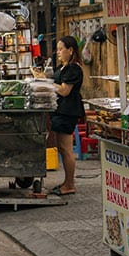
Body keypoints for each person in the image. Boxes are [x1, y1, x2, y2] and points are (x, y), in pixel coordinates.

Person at [49, 35, 85, 195]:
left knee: (66, 149)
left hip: (67, 111)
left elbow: (64, 90)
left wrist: (47, 83)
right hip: (59, 111)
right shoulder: (63, 67)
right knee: (62, 149)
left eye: (61, 49)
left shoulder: (73, 69)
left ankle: (70, 184)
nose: (58, 52)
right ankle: (66, 182)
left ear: (70, 50)